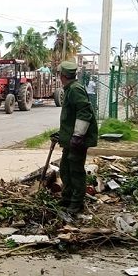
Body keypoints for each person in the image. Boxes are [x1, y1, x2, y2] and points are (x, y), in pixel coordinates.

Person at [52, 61, 98, 214]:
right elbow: (71, 118)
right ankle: (67, 198)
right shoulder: (70, 89)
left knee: (76, 170)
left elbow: (84, 112)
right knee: (65, 168)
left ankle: (76, 203)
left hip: (78, 140)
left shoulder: (75, 90)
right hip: (72, 138)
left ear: (62, 76)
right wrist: (63, 135)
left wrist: (78, 136)